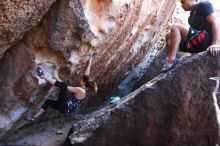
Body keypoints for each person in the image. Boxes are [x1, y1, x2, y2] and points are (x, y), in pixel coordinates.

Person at [25, 53, 98, 123]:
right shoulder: (85, 87)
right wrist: (90, 60)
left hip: (65, 106)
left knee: (63, 86)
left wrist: (56, 76)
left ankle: (42, 76)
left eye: (82, 80)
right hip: (65, 108)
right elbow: (87, 73)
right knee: (48, 102)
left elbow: (64, 87)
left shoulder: (81, 90)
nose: (80, 80)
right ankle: (33, 118)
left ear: (84, 83)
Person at [161, 0, 220, 73]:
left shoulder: (202, 5)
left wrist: (215, 44)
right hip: (199, 43)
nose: (181, 5)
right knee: (168, 35)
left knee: (175, 27)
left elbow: (215, 22)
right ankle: (170, 58)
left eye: (183, 1)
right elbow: (193, 35)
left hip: (207, 40)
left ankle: (171, 59)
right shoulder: (190, 18)